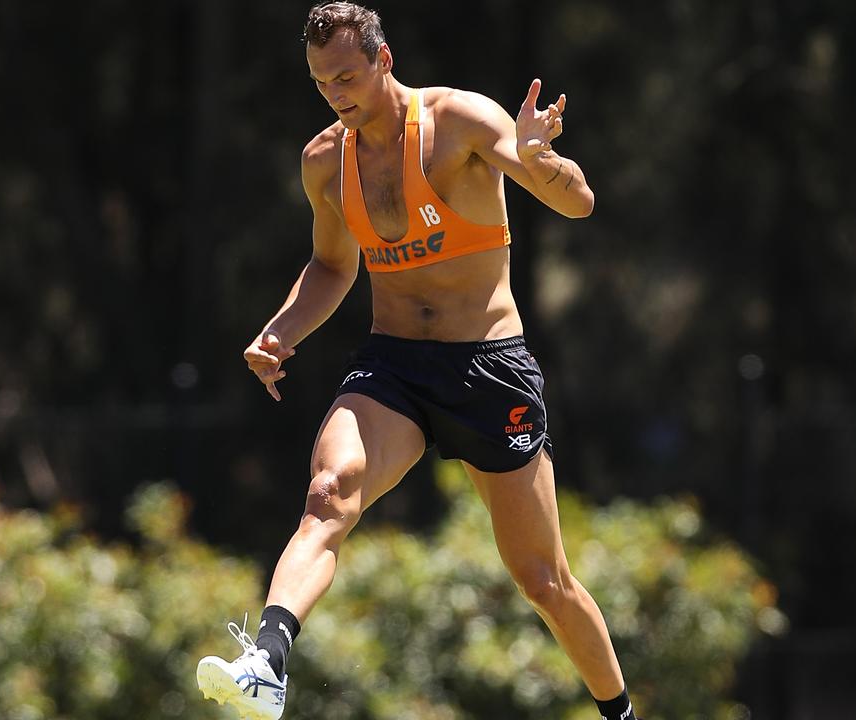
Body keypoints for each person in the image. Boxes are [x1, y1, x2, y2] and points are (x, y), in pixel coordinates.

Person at [196, 3, 638, 719]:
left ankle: (621, 714)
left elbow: (579, 203)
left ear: (384, 60)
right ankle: (266, 664)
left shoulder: (458, 122)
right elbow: (331, 266)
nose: (336, 93)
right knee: (328, 492)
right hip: (395, 368)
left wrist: (539, 159)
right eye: (320, 82)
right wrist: (281, 331)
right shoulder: (323, 162)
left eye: (346, 75)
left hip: (490, 371)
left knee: (542, 579)